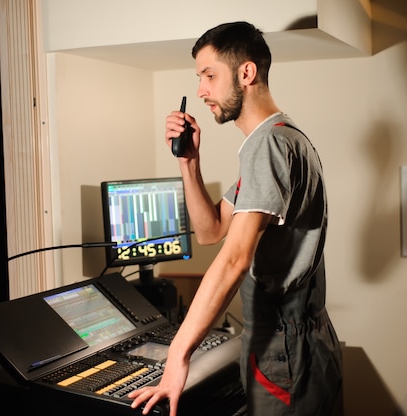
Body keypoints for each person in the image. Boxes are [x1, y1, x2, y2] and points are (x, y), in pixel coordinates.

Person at [128, 21, 342, 416]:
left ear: (246, 73)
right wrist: (189, 163)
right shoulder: (283, 138)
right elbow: (211, 231)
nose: (200, 91)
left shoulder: (269, 144)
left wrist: (178, 355)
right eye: (199, 78)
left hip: (285, 345)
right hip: (299, 341)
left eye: (209, 75)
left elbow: (233, 258)